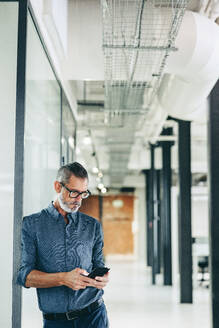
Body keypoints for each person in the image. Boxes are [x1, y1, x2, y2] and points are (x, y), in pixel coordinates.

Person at [17, 162, 109, 328]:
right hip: (56, 322)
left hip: (94, 317)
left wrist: (101, 279)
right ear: (58, 186)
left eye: (83, 194)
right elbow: (25, 276)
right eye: (74, 192)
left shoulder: (92, 226)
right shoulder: (32, 225)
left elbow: (98, 265)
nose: (79, 200)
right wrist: (63, 279)